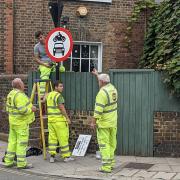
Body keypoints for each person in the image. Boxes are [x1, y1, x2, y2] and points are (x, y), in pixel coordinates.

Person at [4, 78, 36, 169]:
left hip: (13, 122)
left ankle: (9, 161)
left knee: (12, 142)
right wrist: (31, 109)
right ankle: (22, 164)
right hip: (21, 123)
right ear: (19, 85)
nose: (23, 84)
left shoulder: (11, 94)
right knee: (22, 143)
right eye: (22, 83)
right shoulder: (20, 95)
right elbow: (22, 110)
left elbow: (7, 108)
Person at [91, 69, 118, 173]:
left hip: (104, 123)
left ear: (101, 82)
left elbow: (98, 110)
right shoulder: (113, 88)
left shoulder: (101, 93)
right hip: (113, 122)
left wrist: (93, 122)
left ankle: (106, 167)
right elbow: (103, 81)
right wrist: (97, 75)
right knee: (112, 143)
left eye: (99, 81)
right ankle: (111, 163)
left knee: (104, 144)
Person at [46, 81, 74, 163]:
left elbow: (44, 100)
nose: (62, 88)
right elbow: (62, 108)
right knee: (63, 138)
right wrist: (67, 118)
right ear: (55, 87)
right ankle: (66, 157)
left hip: (51, 121)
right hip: (59, 121)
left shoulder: (50, 95)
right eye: (60, 86)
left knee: (52, 139)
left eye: (62, 86)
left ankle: (52, 157)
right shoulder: (59, 96)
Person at [34, 31, 55, 97]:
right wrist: (44, 64)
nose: (40, 39)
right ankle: (42, 95)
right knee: (44, 74)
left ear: (43, 35)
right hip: (44, 63)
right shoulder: (37, 47)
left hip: (53, 62)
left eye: (41, 37)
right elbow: (36, 59)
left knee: (61, 70)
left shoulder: (51, 43)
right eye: (38, 38)